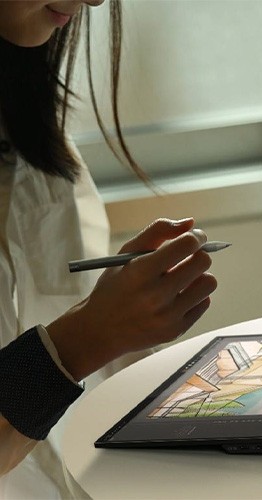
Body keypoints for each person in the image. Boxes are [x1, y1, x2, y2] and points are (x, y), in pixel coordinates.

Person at [0, 1, 218, 496]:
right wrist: (85, 339)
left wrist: (127, 324)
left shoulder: (27, 123)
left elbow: (56, 310)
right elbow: (71, 340)